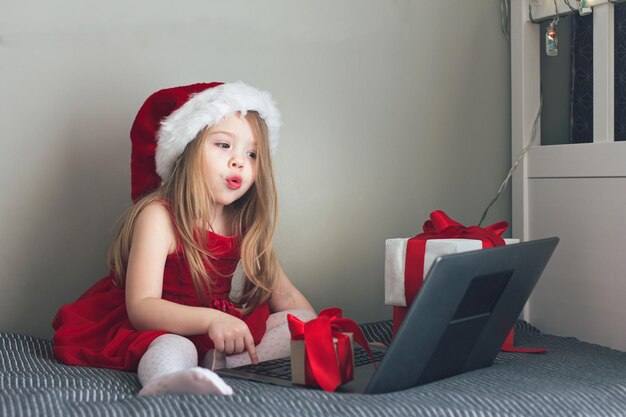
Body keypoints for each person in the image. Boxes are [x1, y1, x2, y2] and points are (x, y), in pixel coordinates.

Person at [52, 81, 316, 396]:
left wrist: (330, 338)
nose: (239, 162)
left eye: (253, 153)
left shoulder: (244, 223)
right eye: (223, 145)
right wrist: (210, 320)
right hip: (160, 327)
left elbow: (286, 298)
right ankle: (166, 383)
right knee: (175, 346)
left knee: (299, 324)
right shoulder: (159, 217)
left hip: (216, 333)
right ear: (186, 150)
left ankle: (221, 364)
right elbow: (142, 307)